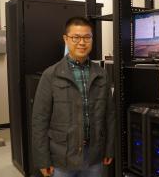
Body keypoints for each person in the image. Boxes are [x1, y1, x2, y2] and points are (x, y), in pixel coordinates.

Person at [32, 17, 115, 177]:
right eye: (76, 37)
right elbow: (39, 120)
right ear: (66, 39)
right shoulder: (51, 75)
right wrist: (43, 160)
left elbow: (109, 116)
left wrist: (109, 149)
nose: (82, 42)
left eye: (87, 37)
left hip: (94, 156)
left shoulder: (101, 74)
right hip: (62, 157)